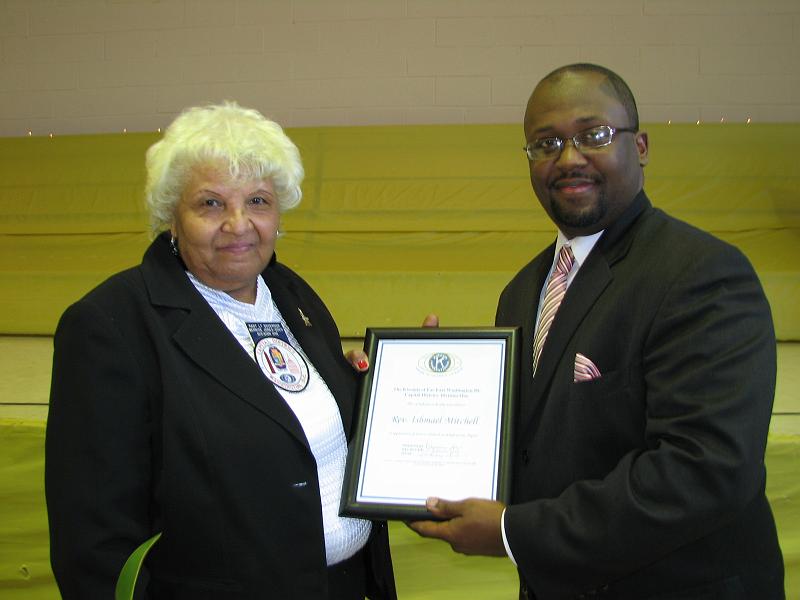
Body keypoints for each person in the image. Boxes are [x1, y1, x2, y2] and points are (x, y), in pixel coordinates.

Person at [409, 64, 785, 599]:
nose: (568, 158)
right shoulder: (521, 291)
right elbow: (528, 448)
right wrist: (424, 394)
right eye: (546, 142)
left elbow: (705, 471)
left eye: (594, 135)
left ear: (643, 146)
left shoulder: (701, 273)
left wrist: (514, 532)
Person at [45, 102, 396, 600]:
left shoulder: (292, 294)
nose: (238, 225)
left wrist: (393, 383)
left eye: (257, 201)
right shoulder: (112, 326)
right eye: (210, 204)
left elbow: (301, 426)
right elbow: (94, 546)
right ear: (171, 216)